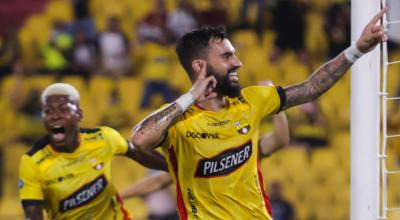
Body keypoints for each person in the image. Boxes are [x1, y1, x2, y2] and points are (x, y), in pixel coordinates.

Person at [131, 8, 387, 219]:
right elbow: (140, 140)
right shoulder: (179, 119)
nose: (238, 63)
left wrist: (357, 50)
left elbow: (310, 88)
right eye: (227, 56)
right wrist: (191, 97)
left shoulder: (250, 100)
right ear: (200, 66)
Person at [18, 83, 167, 220]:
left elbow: (137, 152)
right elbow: (33, 216)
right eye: (48, 111)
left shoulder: (103, 137)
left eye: (64, 110)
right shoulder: (32, 161)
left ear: (79, 115)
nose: (55, 116)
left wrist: (172, 165)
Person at [121, 111, 289, 219]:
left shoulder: (250, 147)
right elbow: (158, 181)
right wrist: (119, 196)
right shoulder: (200, 158)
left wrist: (275, 105)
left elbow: (280, 138)